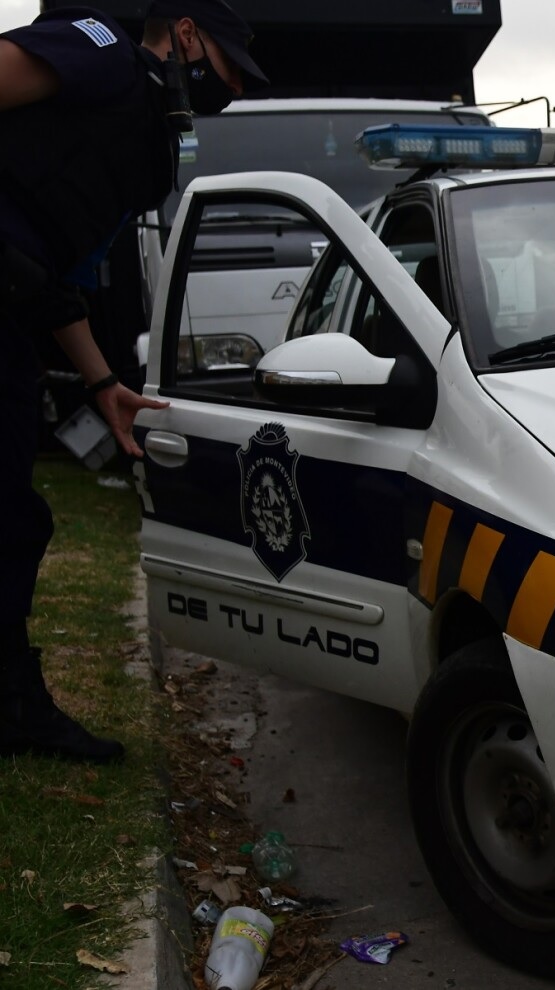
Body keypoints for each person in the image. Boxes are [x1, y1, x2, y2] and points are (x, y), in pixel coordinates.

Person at [0, 1, 266, 762]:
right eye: (227, 69)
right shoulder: (98, 51)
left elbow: (58, 278)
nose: (234, 93)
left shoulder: (149, 148)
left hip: (13, 317)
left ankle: (11, 703)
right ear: (185, 34)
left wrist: (102, 383)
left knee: (14, 520)